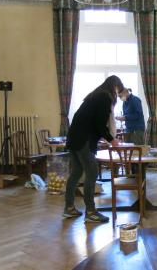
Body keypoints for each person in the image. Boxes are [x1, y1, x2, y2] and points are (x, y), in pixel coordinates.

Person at [64, 75, 124, 223]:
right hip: (83, 139)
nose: (117, 94)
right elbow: (99, 124)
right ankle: (91, 212)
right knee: (92, 172)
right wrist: (112, 140)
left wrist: (106, 138)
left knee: (76, 172)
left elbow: (93, 122)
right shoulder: (105, 97)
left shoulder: (95, 95)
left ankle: (69, 208)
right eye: (118, 90)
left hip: (74, 137)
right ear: (114, 86)